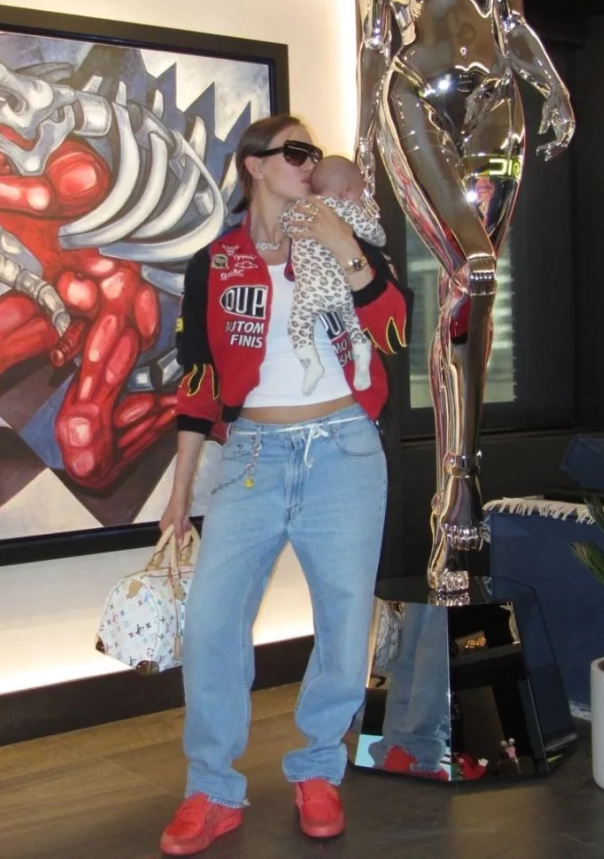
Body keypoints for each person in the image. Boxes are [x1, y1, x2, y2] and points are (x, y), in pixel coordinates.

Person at [157, 115, 410, 856]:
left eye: (312, 152)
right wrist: (180, 491)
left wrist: (343, 245)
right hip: (252, 457)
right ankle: (211, 787)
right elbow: (198, 382)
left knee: (344, 618)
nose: (310, 163)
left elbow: (395, 332)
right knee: (212, 620)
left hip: (344, 448)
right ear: (255, 165)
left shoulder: (341, 239)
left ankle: (319, 768)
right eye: (296, 153)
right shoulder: (215, 263)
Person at [355, 0, 575, 595]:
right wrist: (363, 134)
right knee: (475, 271)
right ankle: (459, 485)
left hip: (495, 101)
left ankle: (459, 493)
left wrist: (554, 91)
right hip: (414, 95)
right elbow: (375, 38)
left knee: (472, 286)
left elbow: (512, 23)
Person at [280, 155, 386, 395]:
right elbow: (377, 236)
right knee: (356, 327)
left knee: (297, 327)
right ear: (346, 192)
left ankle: (311, 365)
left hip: (308, 292)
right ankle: (362, 364)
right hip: (342, 288)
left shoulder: (299, 209)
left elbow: (284, 225)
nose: (359, 200)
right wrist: (363, 223)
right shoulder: (347, 209)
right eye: (359, 194)